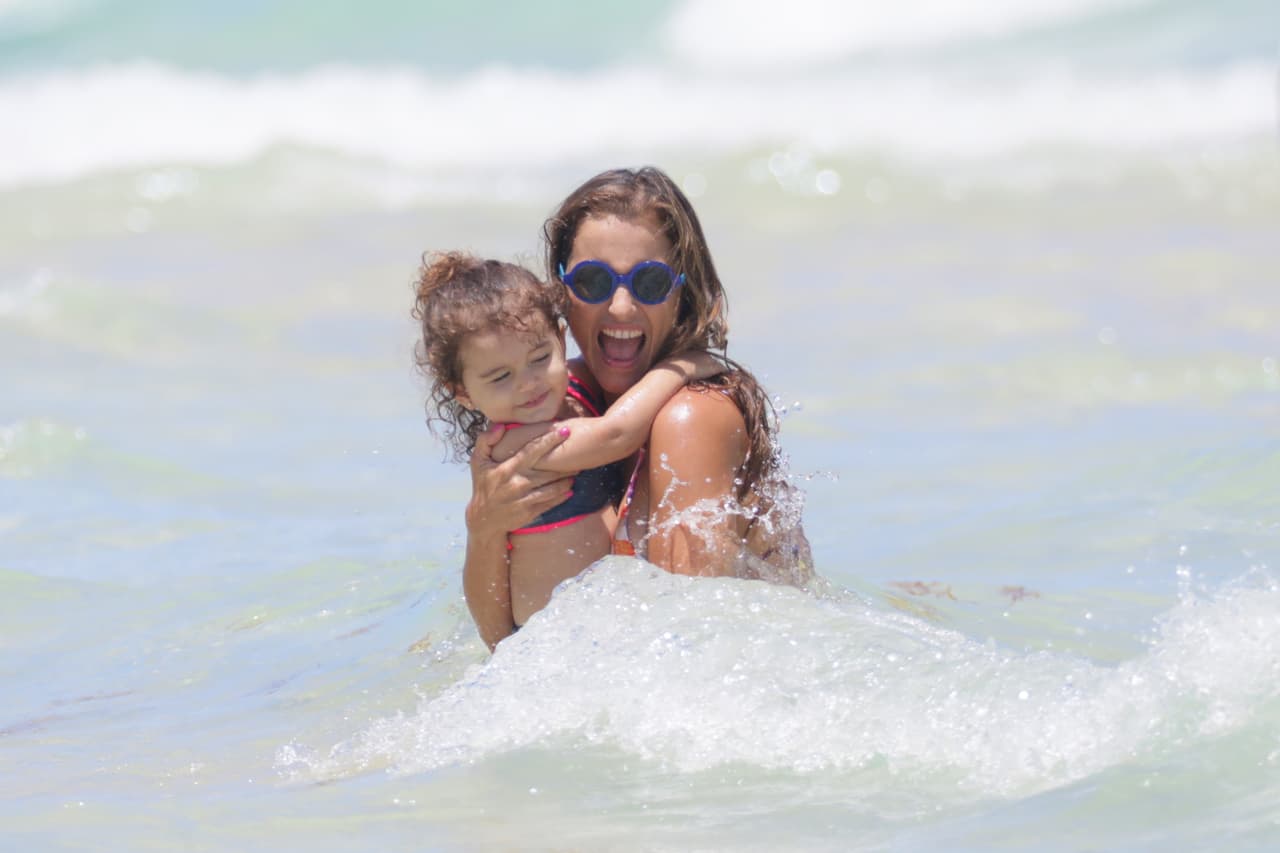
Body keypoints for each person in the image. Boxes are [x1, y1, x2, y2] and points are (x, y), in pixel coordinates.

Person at [463, 167, 812, 646]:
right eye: (592, 281)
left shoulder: (690, 417)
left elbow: (694, 645)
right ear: (558, 295)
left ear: (682, 296)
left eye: (649, 283)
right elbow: (502, 642)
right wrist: (483, 530)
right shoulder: (560, 409)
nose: (622, 308)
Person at [412, 251, 721, 649]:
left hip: (599, 619)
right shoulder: (516, 446)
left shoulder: (572, 387)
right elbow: (616, 434)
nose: (529, 383)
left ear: (559, 338)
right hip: (551, 643)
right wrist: (688, 366)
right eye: (501, 377)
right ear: (463, 393)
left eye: (540, 358)